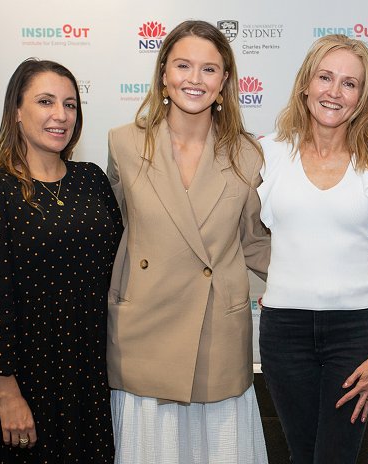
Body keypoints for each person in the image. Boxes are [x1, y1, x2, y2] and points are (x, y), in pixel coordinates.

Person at [106, 20, 270, 463]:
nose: (194, 80)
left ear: (225, 82)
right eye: (183, 66)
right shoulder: (123, 144)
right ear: (163, 73)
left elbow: (255, 242)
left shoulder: (248, 154)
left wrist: (335, 279)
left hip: (216, 329)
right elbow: (116, 233)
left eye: (209, 70)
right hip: (145, 330)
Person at [0, 58, 123, 463]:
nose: (60, 115)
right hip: (28, 375)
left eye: (69, 104)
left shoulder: (91, 179)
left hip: (92, 372)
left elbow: (122, 270)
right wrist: (8, 394)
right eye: (46, 101)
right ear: (16, 110)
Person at [257, 34, 368, 463]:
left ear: (362, 97)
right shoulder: (267, 154)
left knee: (335, 457)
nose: (334, 92)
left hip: (354, 332)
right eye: (325, 77)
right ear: (306, 84)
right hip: (284, 333)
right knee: (302, 455)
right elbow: (241, 237)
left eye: (349, 83)